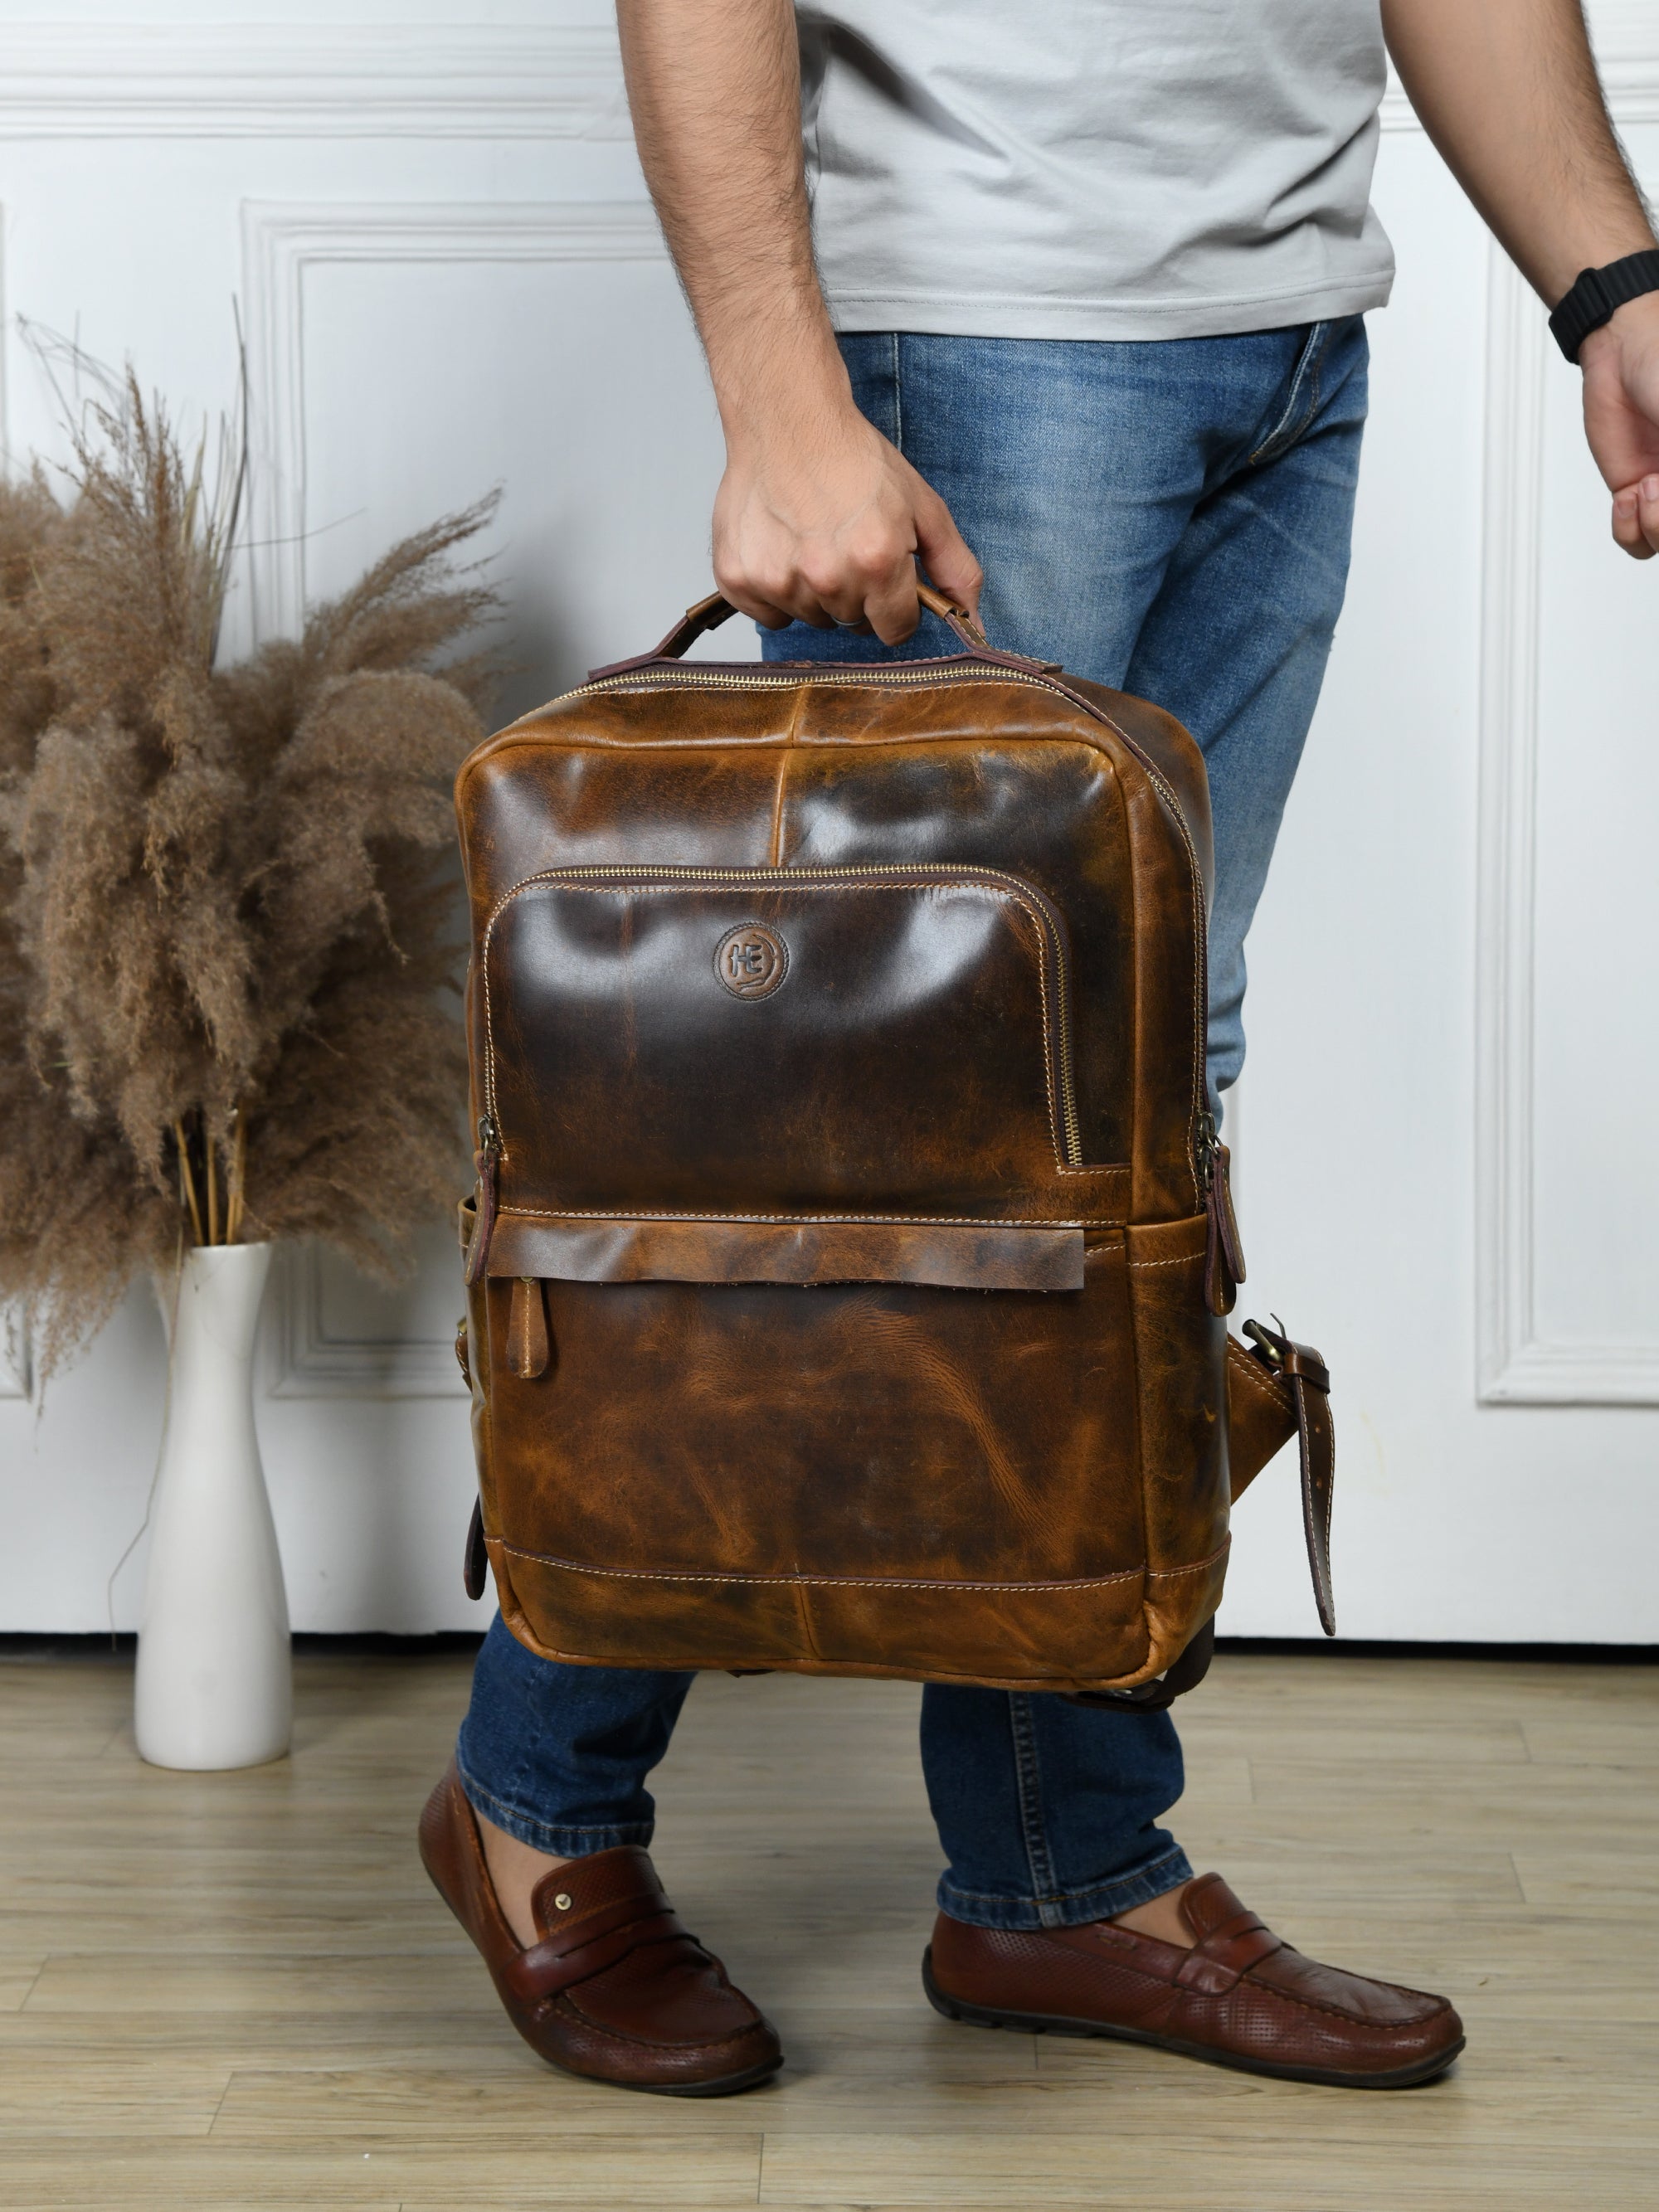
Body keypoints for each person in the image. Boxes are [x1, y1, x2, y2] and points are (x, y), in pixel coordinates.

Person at [420, 0, 1659, 2095]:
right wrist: (776, 386)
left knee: (1124, 1130)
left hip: (1290, 332)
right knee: (878, 1134)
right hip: (982, 323)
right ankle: (535, 1796)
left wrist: (1607, 277)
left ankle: (1057, 1869)